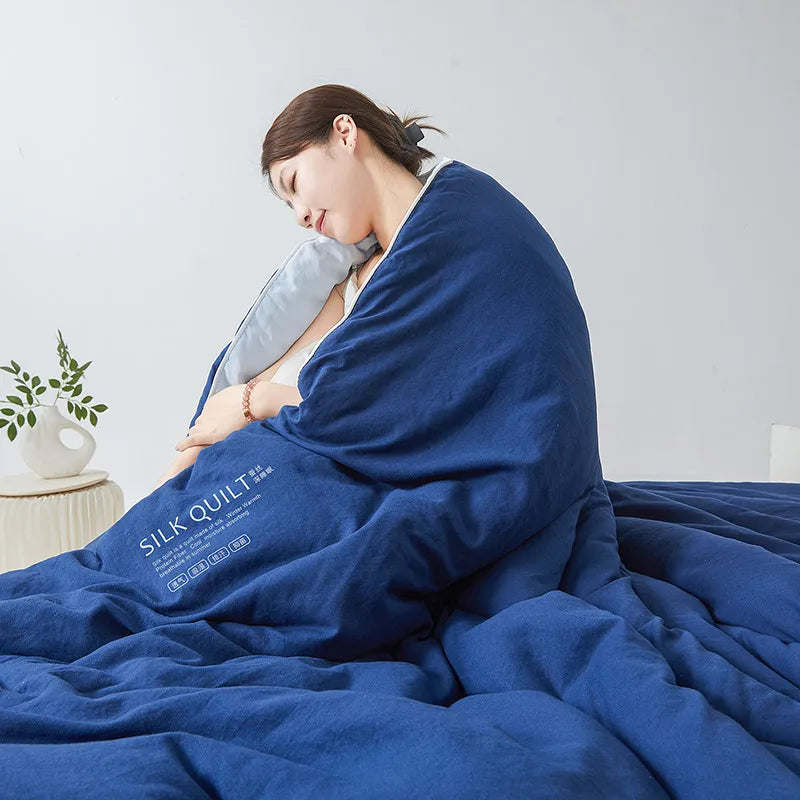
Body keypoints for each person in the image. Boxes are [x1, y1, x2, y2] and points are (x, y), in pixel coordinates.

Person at [154, 84, 446, 490]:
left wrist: (256, 403)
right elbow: (250, 387)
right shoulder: (348, 283)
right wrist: (162, 490)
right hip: (262, 470)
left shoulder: (444, 248)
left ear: (345, 133)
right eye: (288, 206)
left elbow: (403, 415)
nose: (300, 218)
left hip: (332, 482)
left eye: (293, 183)